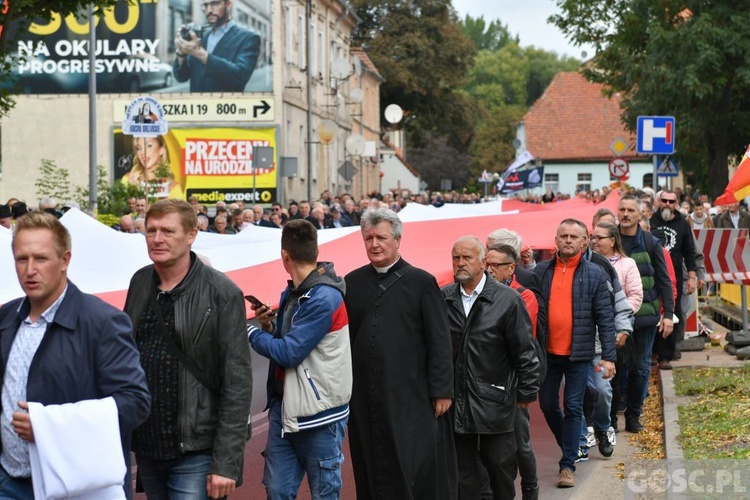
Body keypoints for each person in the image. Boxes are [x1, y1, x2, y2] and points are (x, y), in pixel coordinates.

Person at [0, 212, 150, 499]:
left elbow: (135, 403)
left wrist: (49, 427)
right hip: (8, 482)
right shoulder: (7, 316)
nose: (30, 269)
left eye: (41, 258)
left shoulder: (102, 322)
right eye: (22, 259)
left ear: (65, 260)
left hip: (74, 487)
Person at [124, 199, 252, 499]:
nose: (156, 239)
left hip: (197, 450)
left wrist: (226, 463)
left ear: (191, 235)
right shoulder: (140, 282)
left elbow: (237, 382)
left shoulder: (222, 292)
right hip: (148, 445)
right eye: (150, 230)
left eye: (167, 231)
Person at [344, 207, 456, 499]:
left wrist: (442, 389)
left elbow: (440, 339)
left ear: (397, 239)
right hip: (365, 396)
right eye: (368, 238)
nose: (374, 244)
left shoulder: (421, 282)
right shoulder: (352, 283)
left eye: (380, 237)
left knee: (410, 462)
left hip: (410, 394)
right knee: (369, 460)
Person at [247, 219, 352, 498]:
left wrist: (248, 332)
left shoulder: (323, 297)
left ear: (284, 255)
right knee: (277, 492)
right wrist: (268, 327)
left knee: (324, 494)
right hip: (285, 410)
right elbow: (288, 340)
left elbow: (290, 353)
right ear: (315, 251)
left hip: (319, 415)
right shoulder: (296, 289)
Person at [443, 237, 540, 500]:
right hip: (456, 403)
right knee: (462, 474)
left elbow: (525, 352)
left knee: (500, 469)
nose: (460, 263)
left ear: (484, 261)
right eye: (456, 258)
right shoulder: (444, 298)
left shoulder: (508, 300)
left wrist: (525, 395)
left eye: (467, 257)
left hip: (496, 401)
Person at [534, 219, 616, 489]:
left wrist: (608, 357)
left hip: (578, 355)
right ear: (555, 240)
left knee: (573, 407)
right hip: (548, 354)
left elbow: (605, 318)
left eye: (574, 236)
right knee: (547, 404)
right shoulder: (541, 272)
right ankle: (571, 444)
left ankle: (567, 465)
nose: (568, 240)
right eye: (563, 236)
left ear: (584, 241)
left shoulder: (595, 273)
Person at [484, 243, 542, 500]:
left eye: (496, 265)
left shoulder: (524, 295)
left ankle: (530, 487)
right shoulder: (481, 292)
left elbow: (518, 337)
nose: (490, 269)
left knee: (520, 443)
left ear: (511, 267)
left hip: (513, 382)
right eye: (487, 264)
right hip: (487, 382)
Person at [617, 195, 674, 432]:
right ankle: (612, 417)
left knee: (640, 367)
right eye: (622, 209)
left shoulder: (650, 242)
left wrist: (668, 313)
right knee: (617, 367)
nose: (626, 214)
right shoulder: (610, 241)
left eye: (631, 210)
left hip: (645, 317)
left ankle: (633, 416)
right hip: (616, 317)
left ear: (640, 215)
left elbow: (663, 279)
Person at [649, 189, 698, 369]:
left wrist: (691, 277)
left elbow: (690, 252)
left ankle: (665, 356)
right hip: (651, 274)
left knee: (672, 313)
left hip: (674, 276)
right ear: (658, 202)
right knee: (652, 312)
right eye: (664, 201)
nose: (668, 204)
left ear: (676, 203)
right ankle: (652, 351)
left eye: (671, 201)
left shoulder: (683, 224)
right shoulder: (650, 221)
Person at [173, 0, 260, 92]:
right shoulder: (200, 38)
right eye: (206, 5)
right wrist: (181, 53)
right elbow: (181, 77)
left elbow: (240, 77)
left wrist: (200, 53)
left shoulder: (248, 38)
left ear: (228, 4)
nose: (209, 10)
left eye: (215, 3)